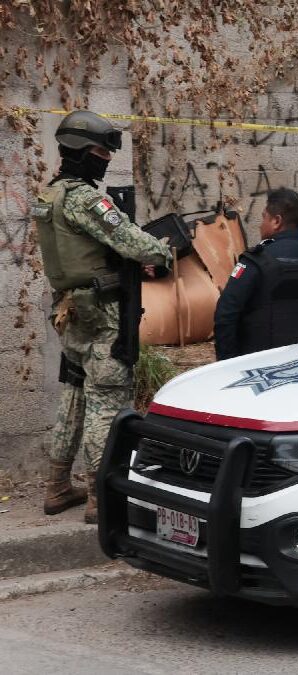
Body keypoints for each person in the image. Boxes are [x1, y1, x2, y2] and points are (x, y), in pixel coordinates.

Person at [31, 111, 172, 522]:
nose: (105, 159)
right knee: (106, 400)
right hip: (102, 316)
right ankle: (100, 494)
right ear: (78, 151)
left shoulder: (50, 196)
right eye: (99, 151)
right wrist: (162, 251)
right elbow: (134, 243)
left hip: (72, 312)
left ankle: (58, 486)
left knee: (75, 396)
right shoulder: (84, 199)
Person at [214, 188, 298, 360]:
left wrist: (228, 365)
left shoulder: (254, 264)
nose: (260, 224)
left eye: (264, 217)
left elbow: (225, 315)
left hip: (256, 372)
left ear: (276, 221)